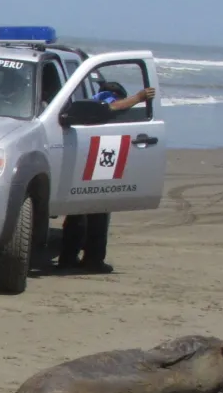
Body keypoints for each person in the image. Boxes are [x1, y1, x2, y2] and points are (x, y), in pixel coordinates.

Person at [58, 80, 156, 273]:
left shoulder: (89, 101)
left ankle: (70, 257)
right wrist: (139, 97)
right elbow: (111, 107)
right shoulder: (103, 99)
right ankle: (92, 259)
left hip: (85, 156)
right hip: (95, 157)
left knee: (80, 212)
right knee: (97, 210)